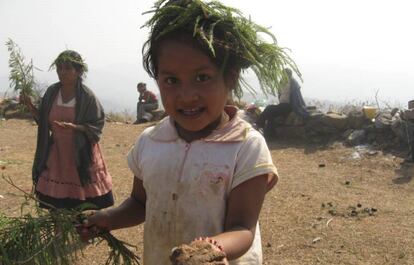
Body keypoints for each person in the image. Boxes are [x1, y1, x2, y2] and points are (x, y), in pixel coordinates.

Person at [79, 0, 299, 263]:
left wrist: (208, 250)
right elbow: (140, 203)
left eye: (202, 77)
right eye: (171, 81)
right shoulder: (150, 141)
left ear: (230, 77)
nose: (186, 96)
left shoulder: (245, 146)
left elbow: (243, 228)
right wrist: (108, 217)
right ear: (158, 81)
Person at [20, 50, 114, 210]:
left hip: (80, 155)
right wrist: (29, 105)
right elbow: (44, 122)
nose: (62, 72)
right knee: (57, 207)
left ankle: (82, 232)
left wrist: (76, 127)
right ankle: (59, 233)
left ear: (78, 71)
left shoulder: (87, 97)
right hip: (57, 156)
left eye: (67, 68)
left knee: (81, 208)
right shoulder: (52, 92)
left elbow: (97, 125)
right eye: (59, 68)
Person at [256, 68, 309, 134]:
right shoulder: (282, 82)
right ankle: (270, 133)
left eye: (285, 74)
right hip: (282, 105)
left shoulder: (293, 83)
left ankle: (259, 125)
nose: (283, 75)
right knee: (270, 114)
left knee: (269, 108)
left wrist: (297, 107)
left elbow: (297, 97)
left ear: (289, 74)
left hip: (289, 106)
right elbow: (280, 94)